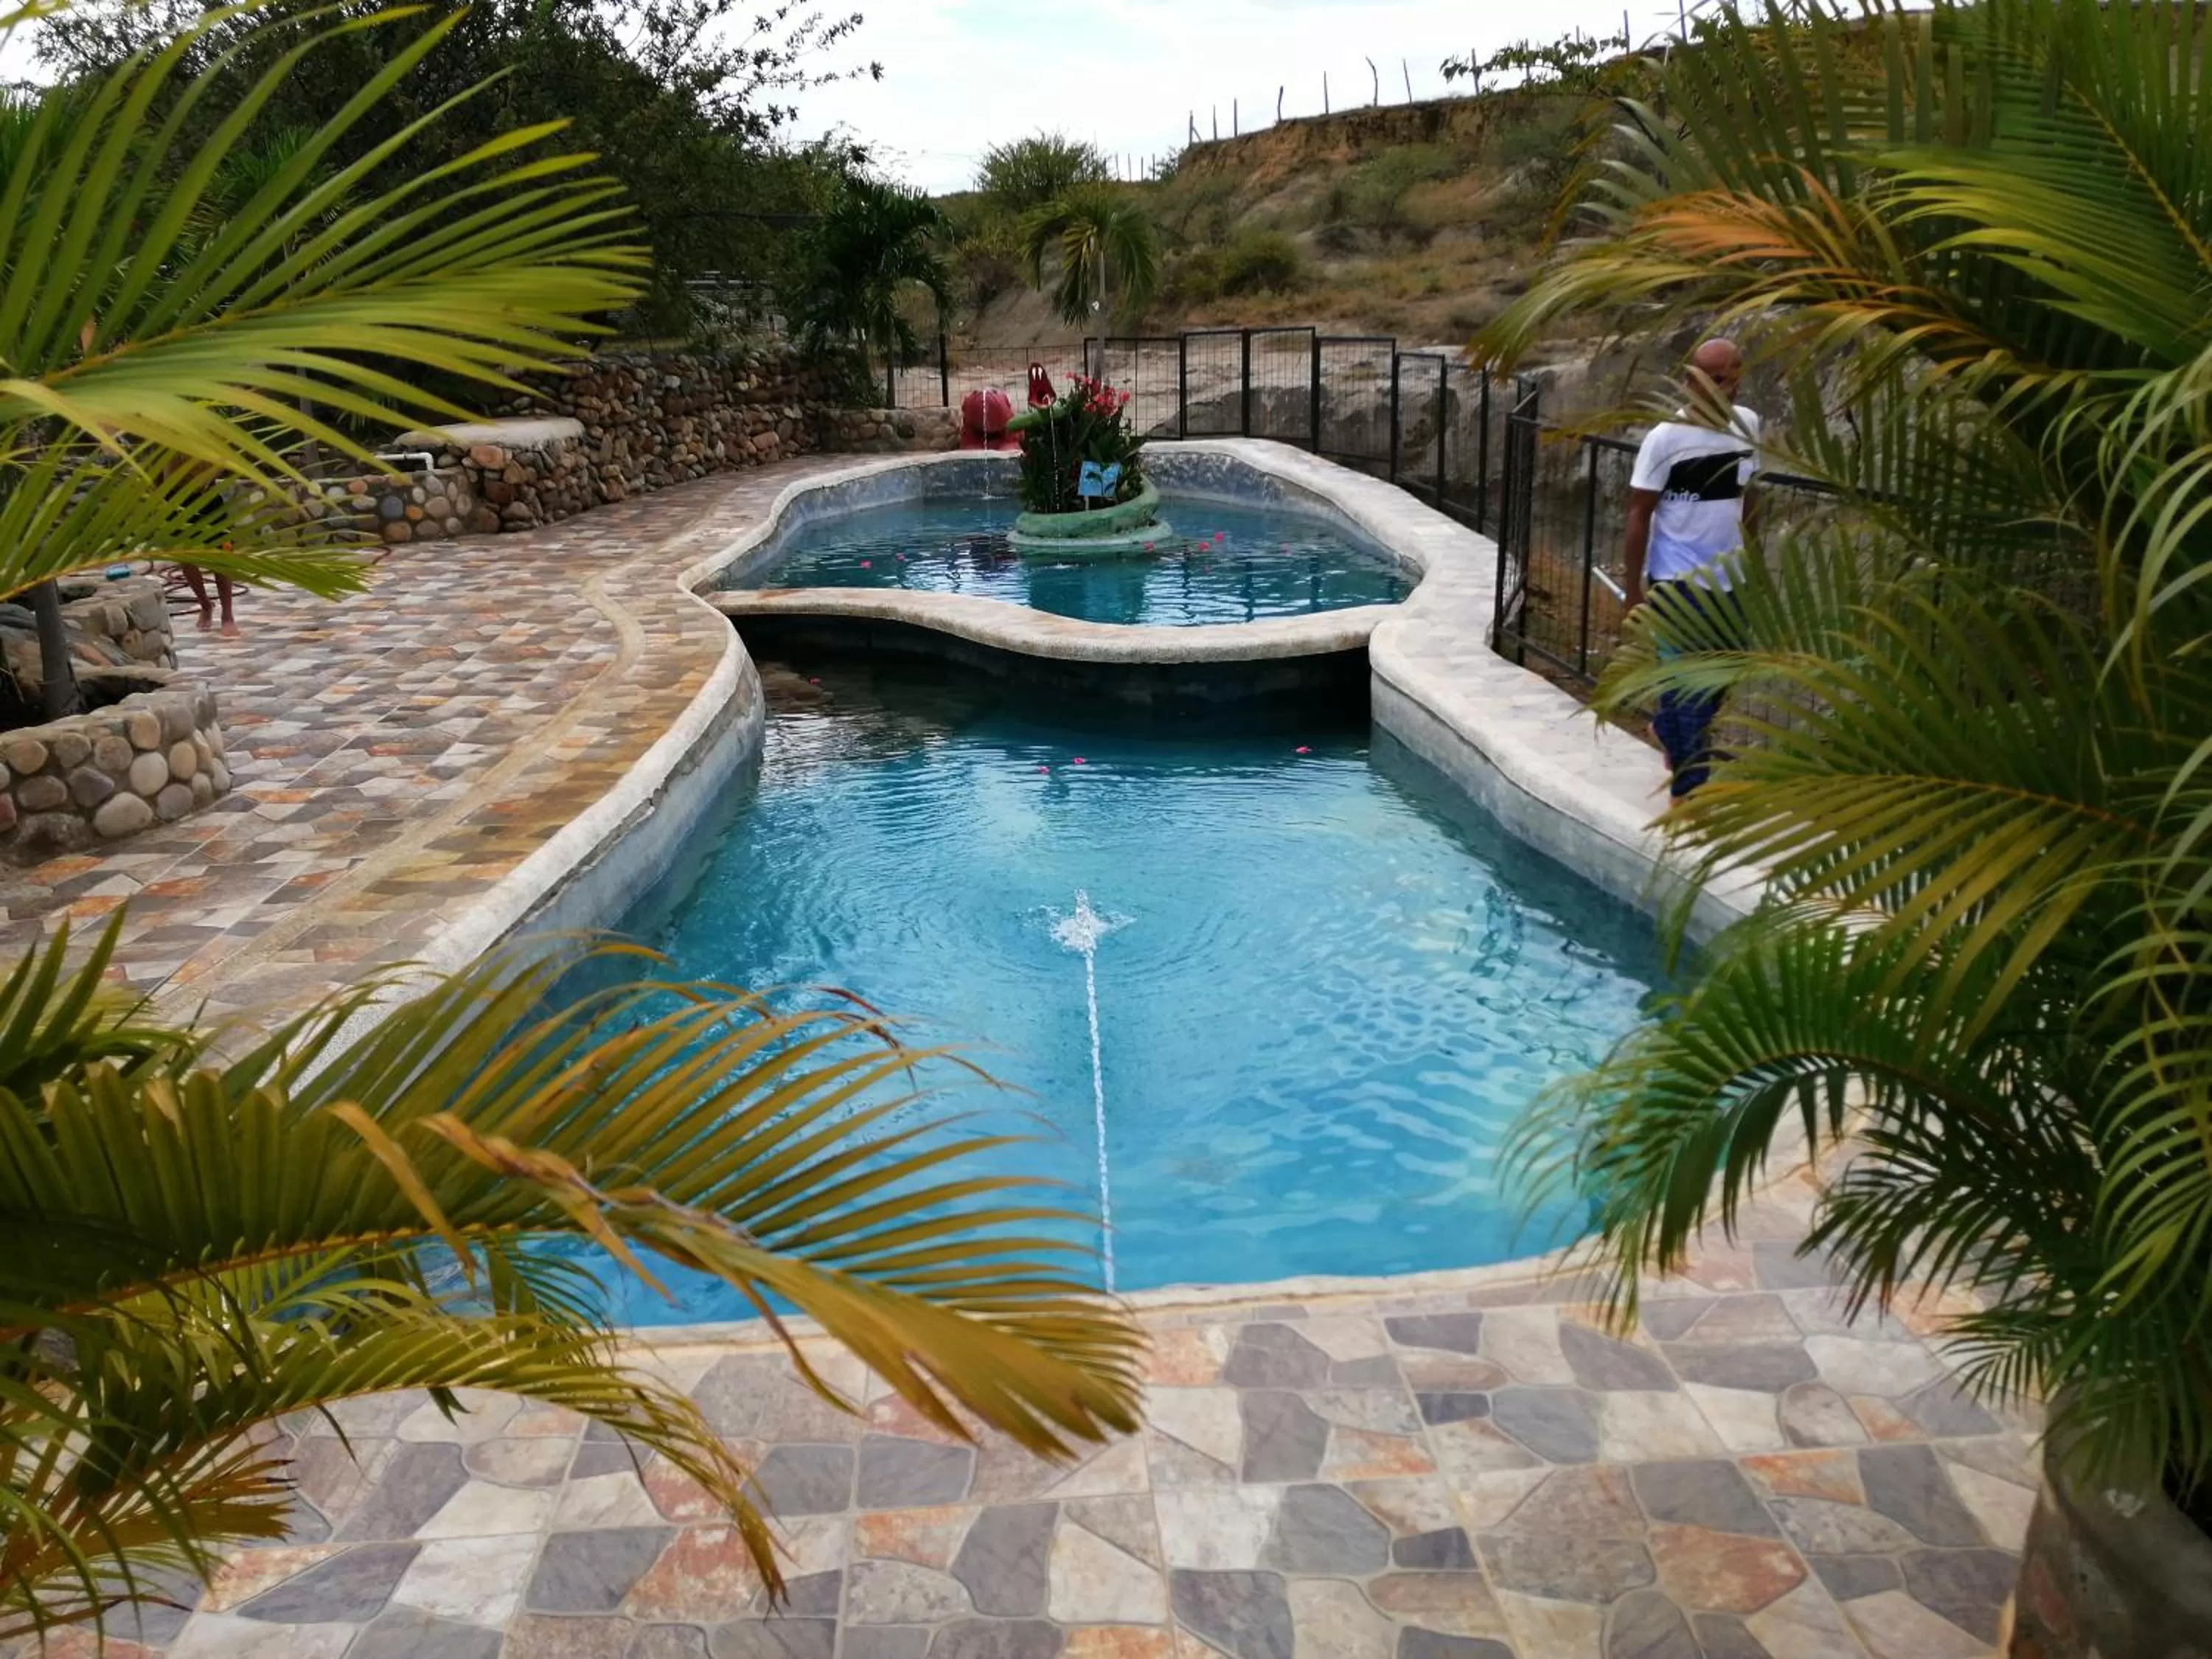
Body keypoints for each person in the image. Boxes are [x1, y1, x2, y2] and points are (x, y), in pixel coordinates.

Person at [1621, 338, 1761, 799]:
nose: (1731, 386)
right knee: (1690, 690)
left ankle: (1665, 728)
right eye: (1720, 378)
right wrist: (1634, 590)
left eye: (1735, 375)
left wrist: (1754, 564)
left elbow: (1751, 496)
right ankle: (1690, 793)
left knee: (1718, 680)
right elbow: (1640, 513)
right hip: (1677, 580)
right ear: (1692, 382)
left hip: (1732, 581)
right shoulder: (1665, 439)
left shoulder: (1749, 426)